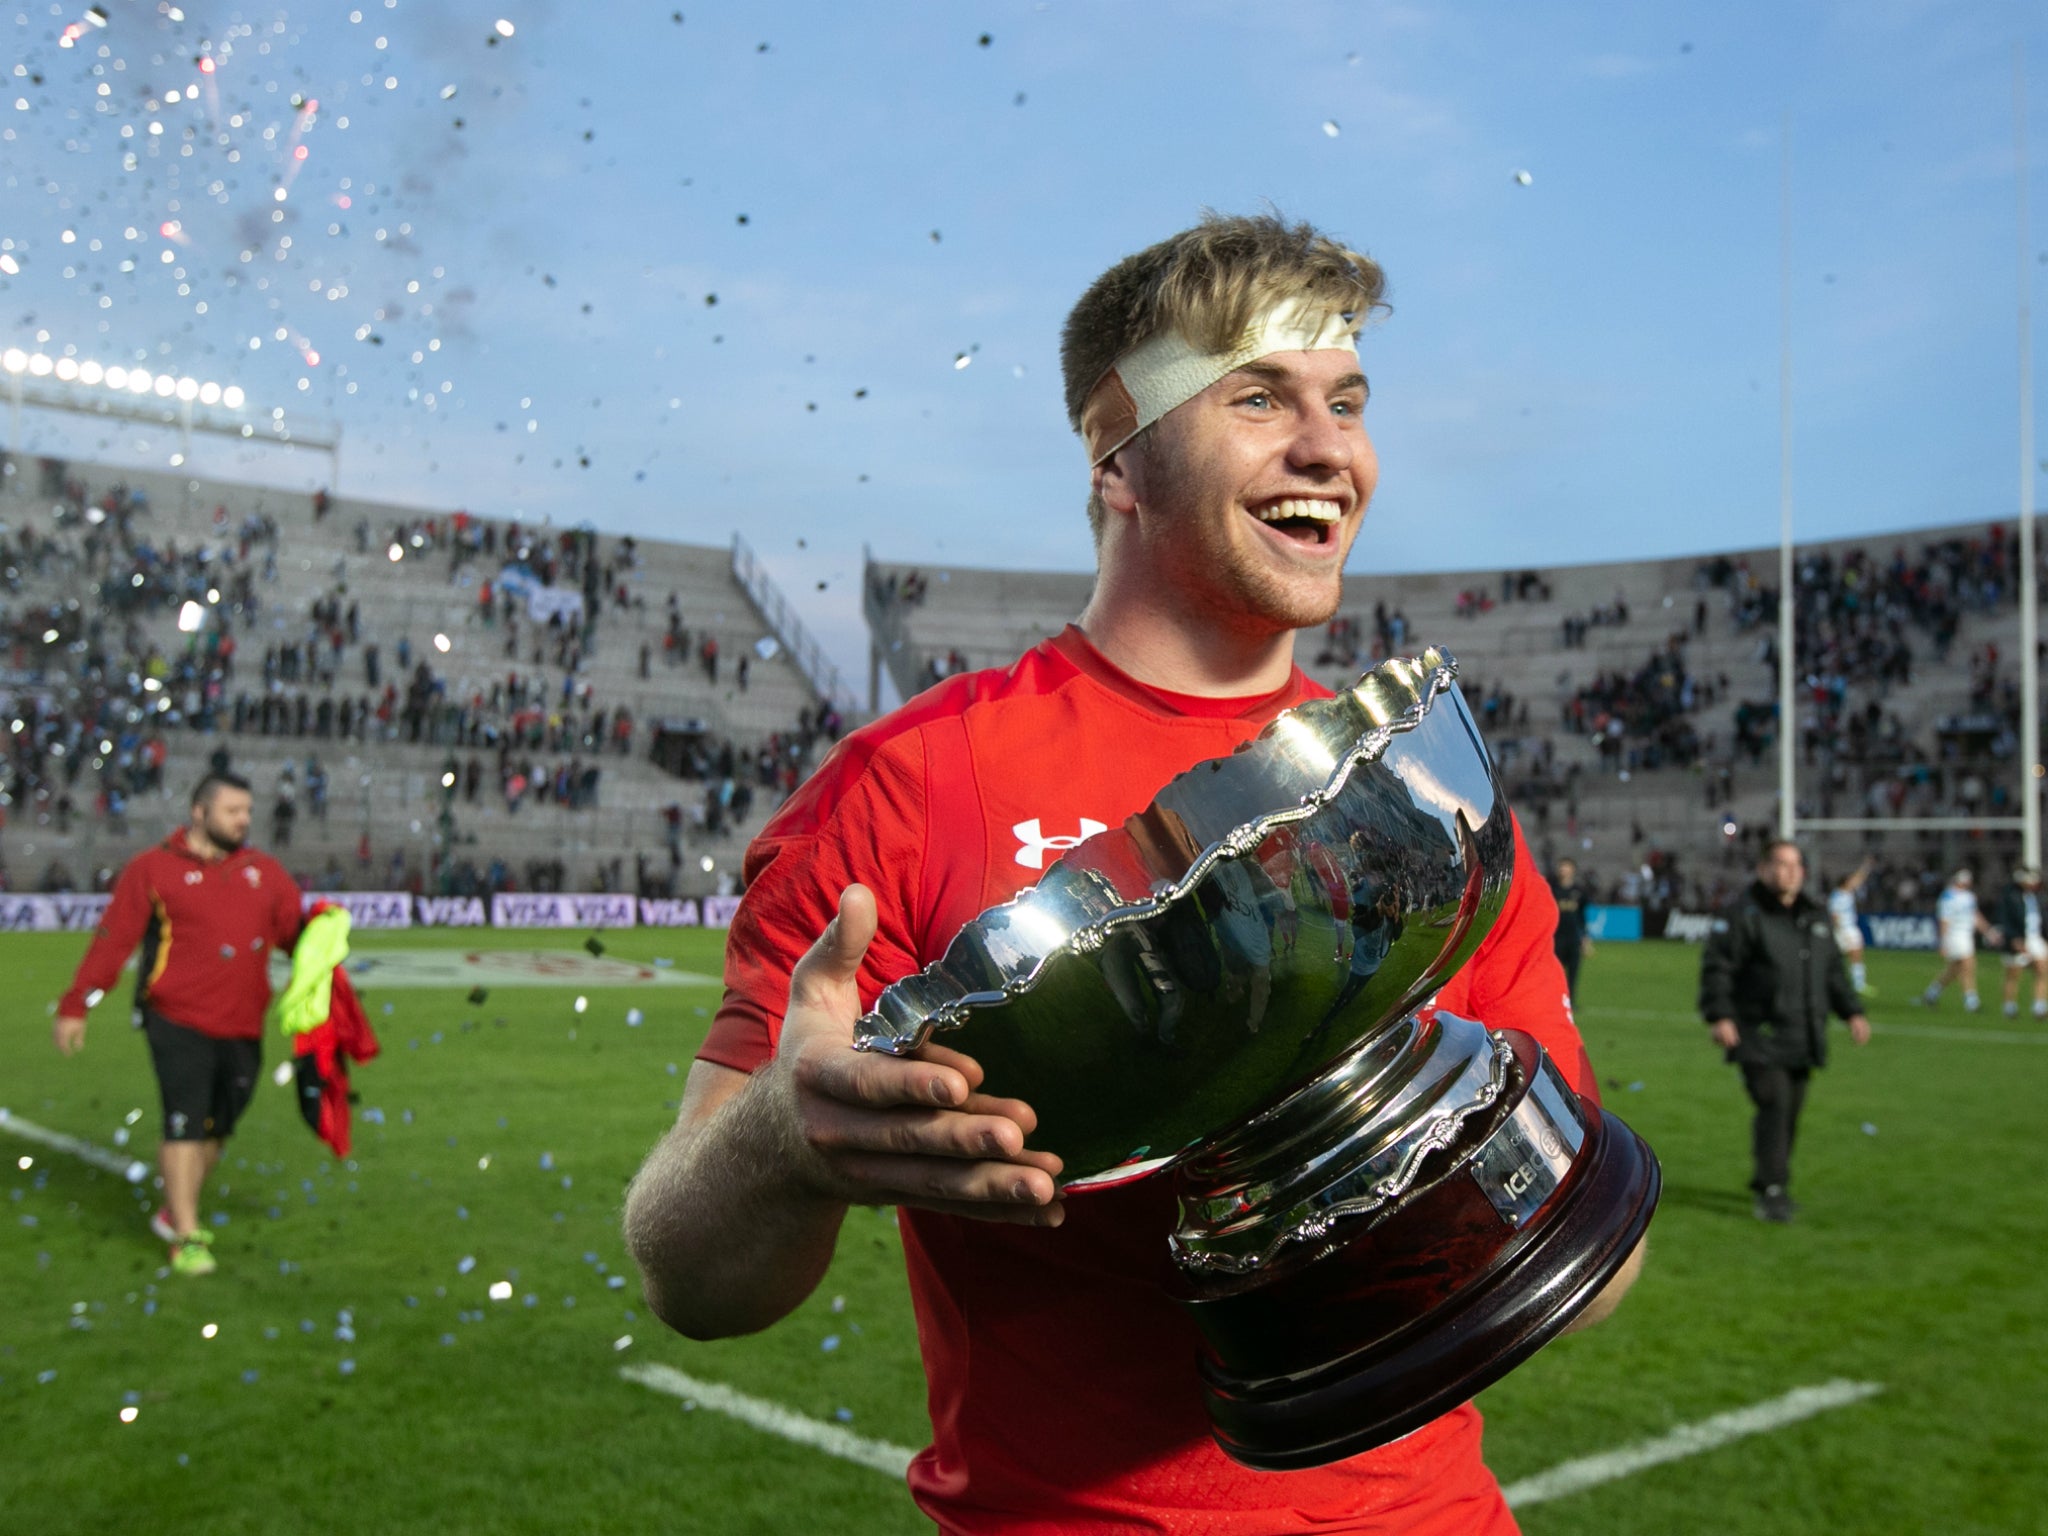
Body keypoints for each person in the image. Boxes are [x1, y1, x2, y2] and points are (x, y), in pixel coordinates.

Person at [623, 214, 1641, 1535]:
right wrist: (785, 1139)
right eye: (1261, 398)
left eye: (1347, 401)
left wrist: (1381, 1116)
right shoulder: (913, 783)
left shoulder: (1420, 799)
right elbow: (691, 1281)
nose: (1329, 448)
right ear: (1119, 453)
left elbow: (1595, 1272)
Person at [51, 773, 305, 1276]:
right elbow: (113, 939)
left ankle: (173, 1211)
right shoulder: (152, 869)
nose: (244, 820)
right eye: (233, 811)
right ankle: (187, 1234)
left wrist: (325, 938)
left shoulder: (264, 872)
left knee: (217, 1128)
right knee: (184, 1120)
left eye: (247, 811)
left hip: (243, 1022)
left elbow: (293, 935)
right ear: (199, 812)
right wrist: (77, 1003)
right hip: (175, 1017)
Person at [1699, 840, 1870, 1222]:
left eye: (1794, 865)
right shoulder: (1744, 914)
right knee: (1773, 1103)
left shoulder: (1815, 916)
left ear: (1803, 872)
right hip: (1757, 1032)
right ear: (1763, 869)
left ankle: (1770, 1180)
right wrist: (1720, 1015)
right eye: (1779, 864)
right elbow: (1718, 967)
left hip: (1802, 1032)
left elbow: (1832, 973)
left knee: (1790, 1109)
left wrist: (1852, 1012)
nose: (1787, 871)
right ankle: (1773, 1189)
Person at [1921, 868, 1990, 1011]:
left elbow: (1975, 916)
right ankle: (1971, 1001)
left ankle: (1931, 993)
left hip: (1966, 935)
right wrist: (1943, 941)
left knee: (1954, 970)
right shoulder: (1948, 896)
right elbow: (1944, 920)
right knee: (1968, 965)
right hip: (1954, 935)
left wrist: (1988, 931)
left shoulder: (1969, 896)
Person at [1994, 865, 2048, 1019]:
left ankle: (2039, 1006)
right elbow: (2005, 919)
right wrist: (2013, 939)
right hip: (2018, 938)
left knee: (2042, 969)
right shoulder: (2010, 895)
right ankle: (2009, 1006)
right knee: (2013, 974)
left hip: (2034, 937)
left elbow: (2040, 918)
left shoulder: (2036, 896)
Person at [1826, 859, 1875, 997]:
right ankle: (1850, 983)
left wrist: (1866, 866)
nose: (1853, 883)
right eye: (1849, 881)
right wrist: (1840, 930)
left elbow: (1858, 879)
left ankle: (1858, 983)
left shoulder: (1847, 893)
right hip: (1844, 929)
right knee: (1840, 956)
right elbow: (1834, 915)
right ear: (1844, 882)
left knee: (1856, 954)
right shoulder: (1837, 896)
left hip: (1850, 928)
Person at [1549, 856, 1589, 1003]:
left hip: (1573, 938)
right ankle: (1554, 1001)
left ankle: (1570, 1002)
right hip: (1556, 938)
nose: (1563, 869)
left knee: (1573, 972)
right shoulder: (1551, 889)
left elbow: (1582, 917)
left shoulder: (1579, 892)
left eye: (1566, 866)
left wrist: (1585, 940)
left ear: (1573, 870)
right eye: (1561, 866)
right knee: (1554, 972)